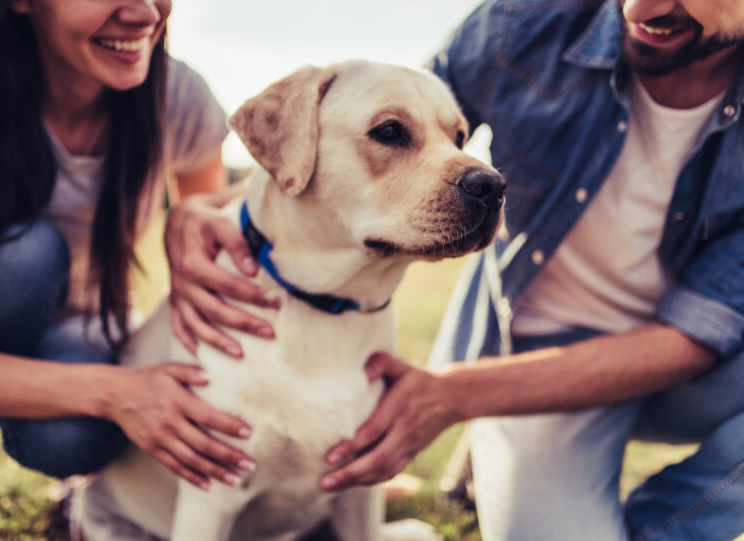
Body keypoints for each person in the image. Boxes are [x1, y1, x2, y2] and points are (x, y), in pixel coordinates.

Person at [188, 0, 744, 540]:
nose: (636, 8)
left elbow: (697, 335)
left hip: (690, 371)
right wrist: (201, 208)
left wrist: (454, 394)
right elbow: (364, 120)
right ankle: (492, 467)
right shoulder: (525, 22)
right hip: (526, 356)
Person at [0, 0, 272, 534]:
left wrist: (191, 213)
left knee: (72, 437)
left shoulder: (178, 97)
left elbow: (221, 234)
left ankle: (84, 490)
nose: (143, 13)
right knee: (26, 258)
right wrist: (119, 393)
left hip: (80, 337)